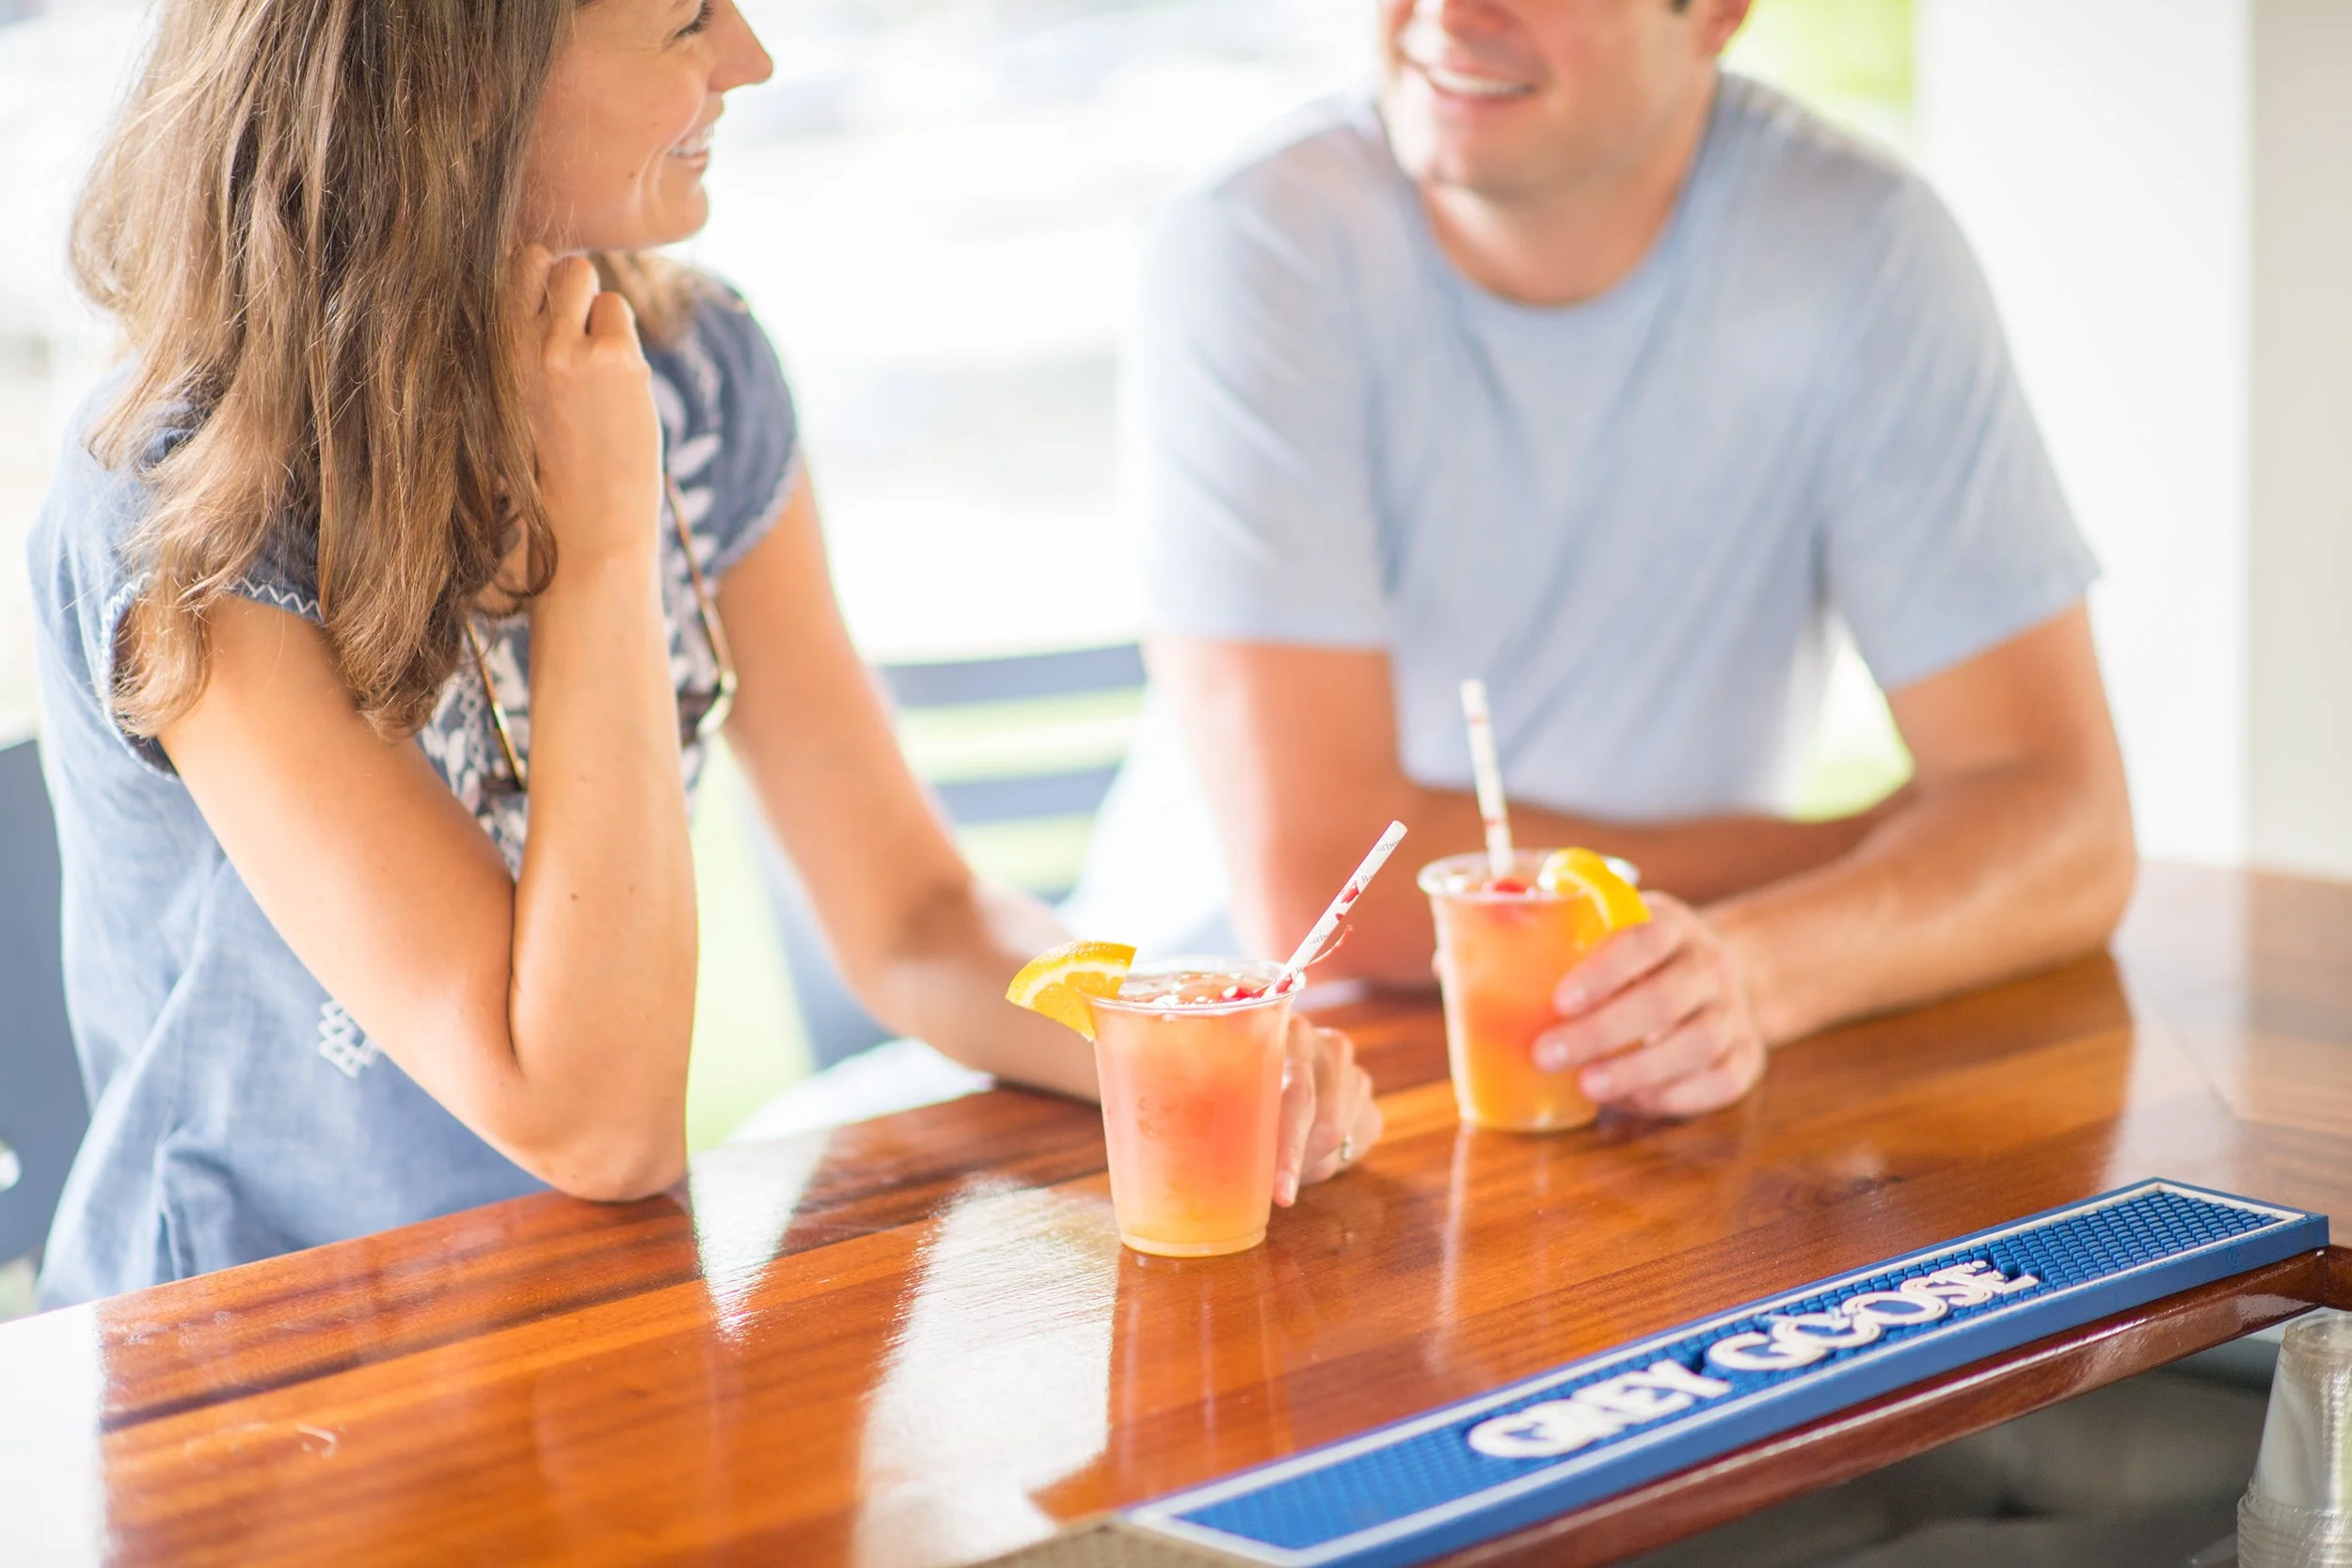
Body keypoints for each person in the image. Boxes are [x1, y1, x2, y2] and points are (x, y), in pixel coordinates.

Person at [24, 0, 1380, 1308]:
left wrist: (1168, 1034)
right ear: (460, 79)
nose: (755, 57)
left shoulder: (695, 368)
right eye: (684, 17)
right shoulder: (188, 509)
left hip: (576, 1319)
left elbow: (914, 917)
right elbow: (596, 1125)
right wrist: (605, 545)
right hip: (249, 1388)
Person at [1072, 0, 2137, 1120]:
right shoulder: (1259, 237)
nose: (1446, 17)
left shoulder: (1858, 246)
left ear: (1717, 14)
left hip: (1636, 1067)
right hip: (1215, 1089)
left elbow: (2067, 836)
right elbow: (1332, 887)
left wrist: (1755, 963)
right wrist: (1886, 852)